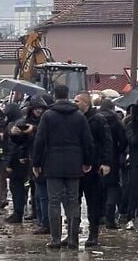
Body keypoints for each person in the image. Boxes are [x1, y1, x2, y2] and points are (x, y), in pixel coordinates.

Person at [32, 85, 94, 249]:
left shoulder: (48, 116)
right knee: (73, 201)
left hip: (52, 164)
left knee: (54, 201)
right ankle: (73, 239)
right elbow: (87, 141)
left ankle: (55, 239)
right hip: (74, 164)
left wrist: (36, 163)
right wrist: (87, 161)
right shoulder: (79, 116)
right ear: (68, 96)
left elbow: (39, 141)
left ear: (54, 96)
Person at [75, 93, 113, 247]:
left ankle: (93, 234)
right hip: (77, 165)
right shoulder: (76, 118)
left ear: (85, 102)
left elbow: (106, 142)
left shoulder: (97, 119)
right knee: (74, 201)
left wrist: (106, 162)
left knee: (93, 202)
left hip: (94, 166)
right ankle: (73, 232)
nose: (74, 103)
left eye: (77, 101)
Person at [6, 96, 44, 224]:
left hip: (41, 160)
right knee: (32, 188)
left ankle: (40, 217)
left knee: (38, 191)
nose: (39, 111)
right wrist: (15, 134)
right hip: (29, 160)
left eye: (41, 108)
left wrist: (33, 130)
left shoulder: (46, 120)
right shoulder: (23, 121)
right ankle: (35, 214)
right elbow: (20, 143)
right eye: (37, 108)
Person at [99, 99, 127, 229]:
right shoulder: (116, 122)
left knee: (97, 188)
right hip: (112, 159)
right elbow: (123, 141)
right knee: (112, 187)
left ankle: (98, 216)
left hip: (96, 159)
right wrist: (118, 152)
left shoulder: (95, 119)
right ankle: (110, 217)